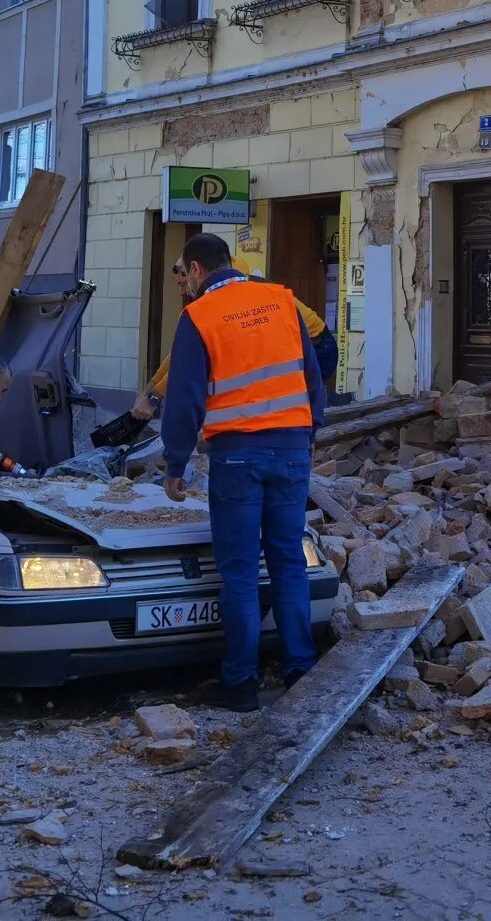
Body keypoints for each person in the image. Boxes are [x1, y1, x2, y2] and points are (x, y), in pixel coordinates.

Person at [160, 232, 325, 711]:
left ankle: (241, 682)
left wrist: (175, 462)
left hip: (237, 456)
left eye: (183, 274)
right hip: (292, 449)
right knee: (289, 561)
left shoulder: (199, 316)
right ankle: (300, 670)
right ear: (230, 263)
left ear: (195, 271)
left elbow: (185, 397)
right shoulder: (280, 300)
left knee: (239, 573)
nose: (184, 284)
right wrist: (308, 432)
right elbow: (311, 374)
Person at [140, 261, 336, 418]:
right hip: (303, 340)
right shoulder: (224, 283)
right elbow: (182, 350)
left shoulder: (223, 293)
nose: (182, 289)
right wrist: (153, 384)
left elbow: (185, 358)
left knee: (290, 403)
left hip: (317, 343)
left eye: (182, 281)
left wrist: (155, 396)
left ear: (194, 270)